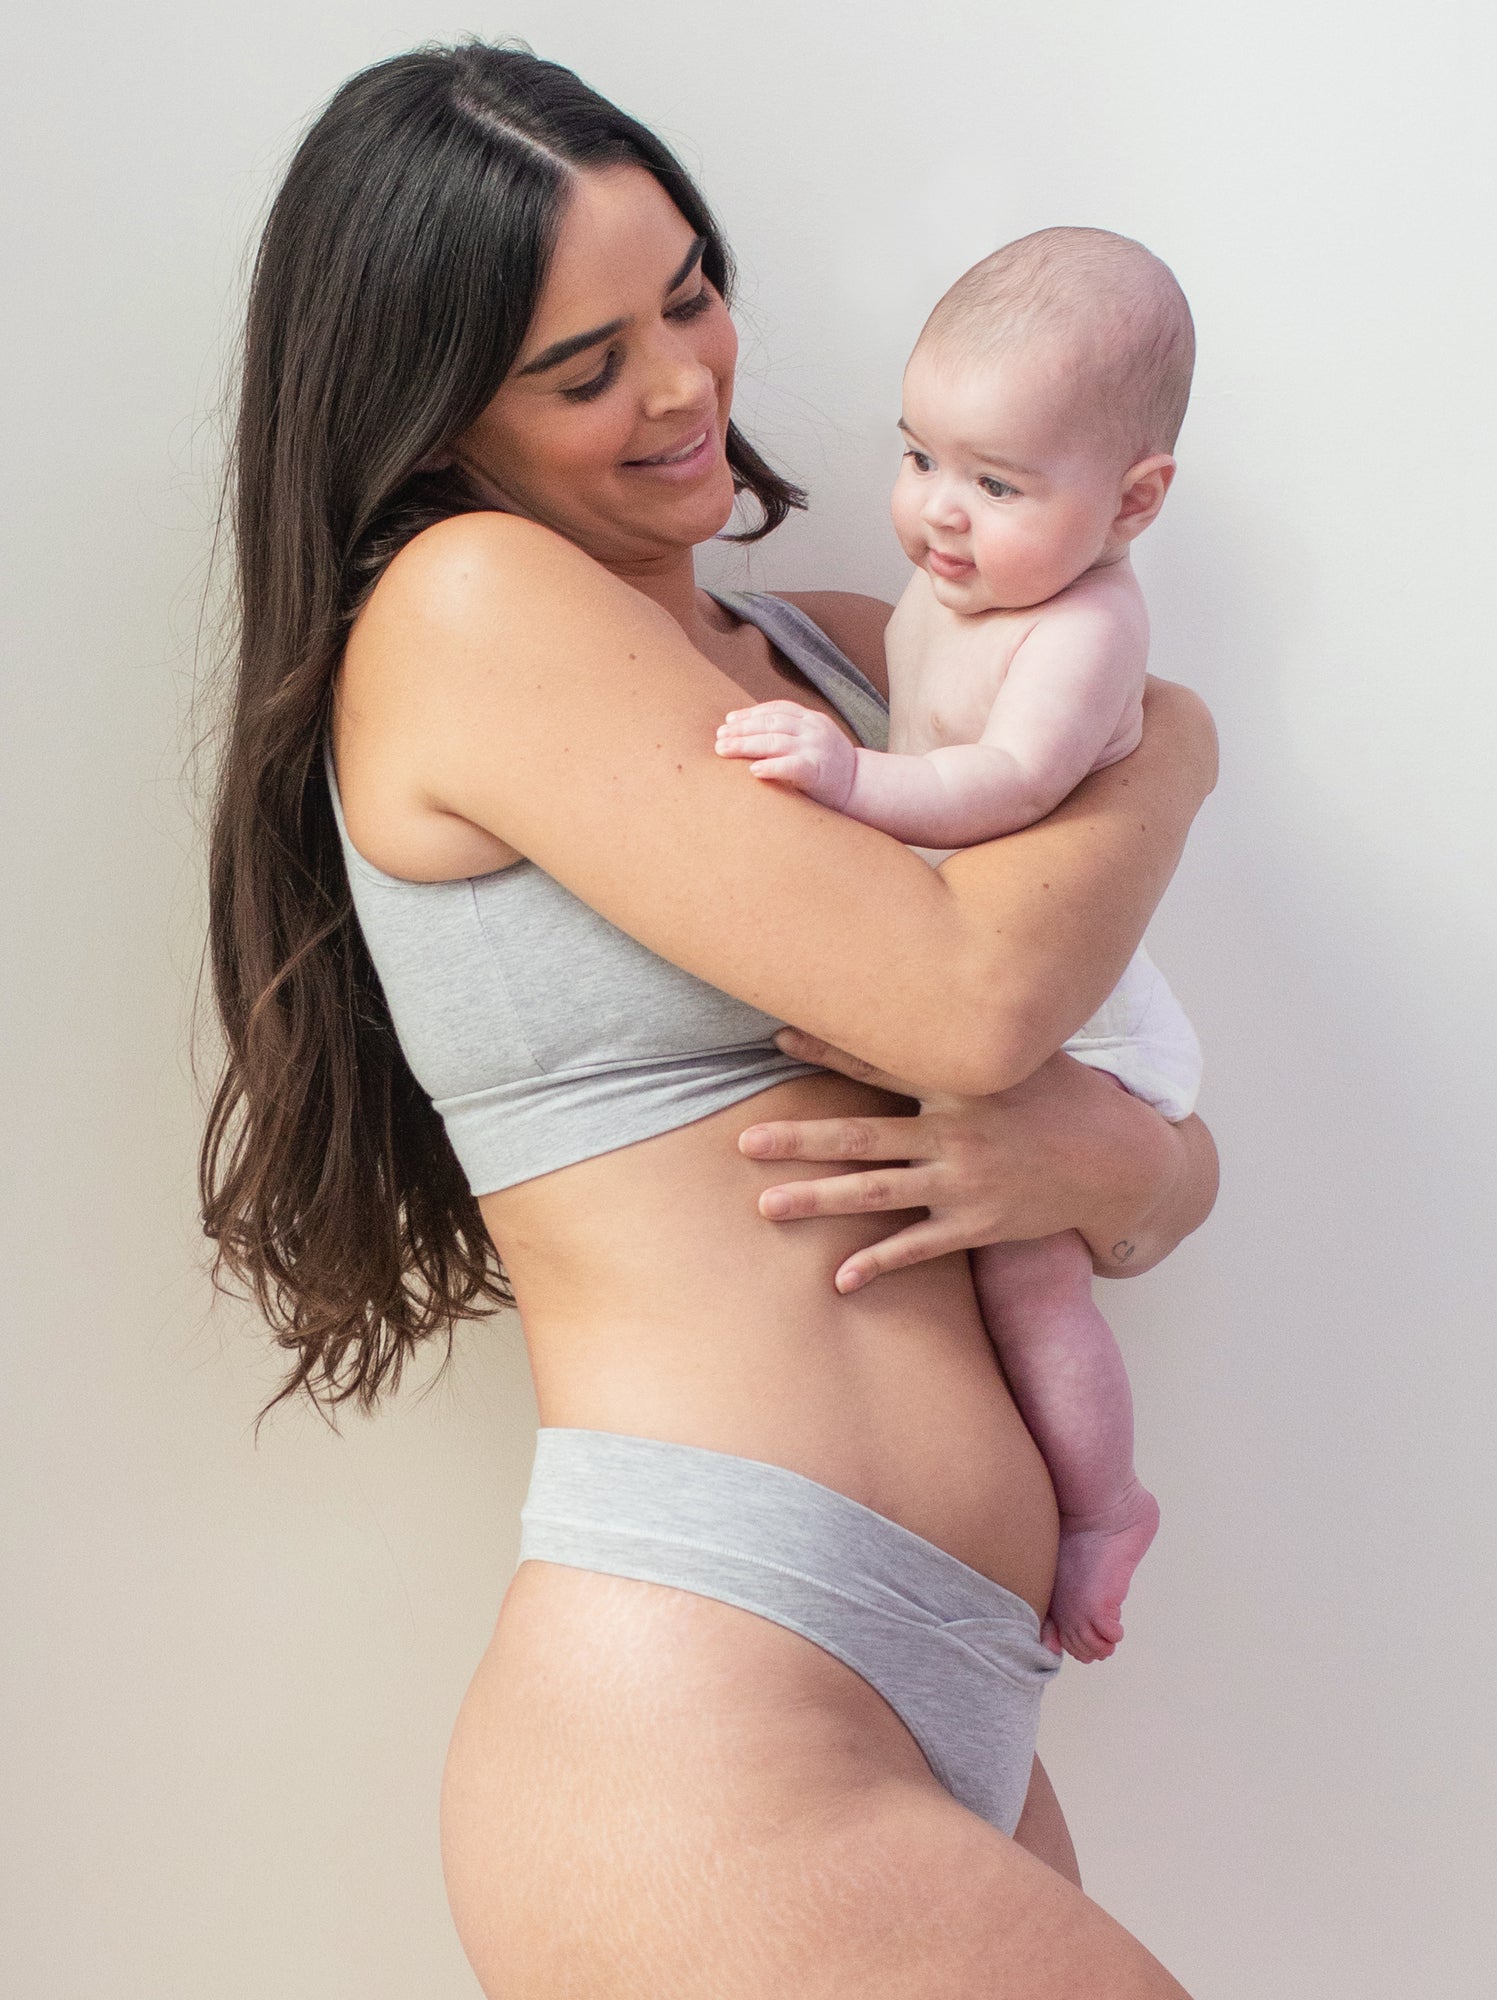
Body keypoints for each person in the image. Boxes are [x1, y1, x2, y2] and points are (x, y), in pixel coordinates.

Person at [199, 41, 1218, 1997]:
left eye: (687, 292)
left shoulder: (837, 653)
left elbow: (1142, 1145)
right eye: (583, 366)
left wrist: (1131, 1161)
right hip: (707, 1707)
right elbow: (975, 988)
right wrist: (1169, 744)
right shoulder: (468, 605)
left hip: (940, 1695)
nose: (680, 384)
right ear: (430, 413)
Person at [716, 226, 1203, 1664]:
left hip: (1083, 1006)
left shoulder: (1088, 626)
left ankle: (1108, 1504)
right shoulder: (954, 589)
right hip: (1000, 961)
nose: (939, 511)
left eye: (997, 482)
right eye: (922, 456)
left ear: (1135, 500)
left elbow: (1010, 786)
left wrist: (848, 778)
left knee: (1031, 1275)